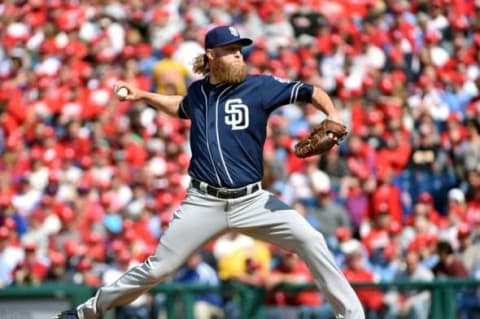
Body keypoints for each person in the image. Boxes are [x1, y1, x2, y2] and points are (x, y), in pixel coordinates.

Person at [55, 25, 364, 319]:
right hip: (204, 202)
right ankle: (87, 312)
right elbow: (180, 106)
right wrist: (143, 95)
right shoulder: (199, 93)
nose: (238, 55)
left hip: (252, 201)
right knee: (159, 268)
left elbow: (311, 91)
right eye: (230, 50)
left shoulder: (260, 87)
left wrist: (333, 115)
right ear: (212, 56)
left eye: (240, 50)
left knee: (310, 239)